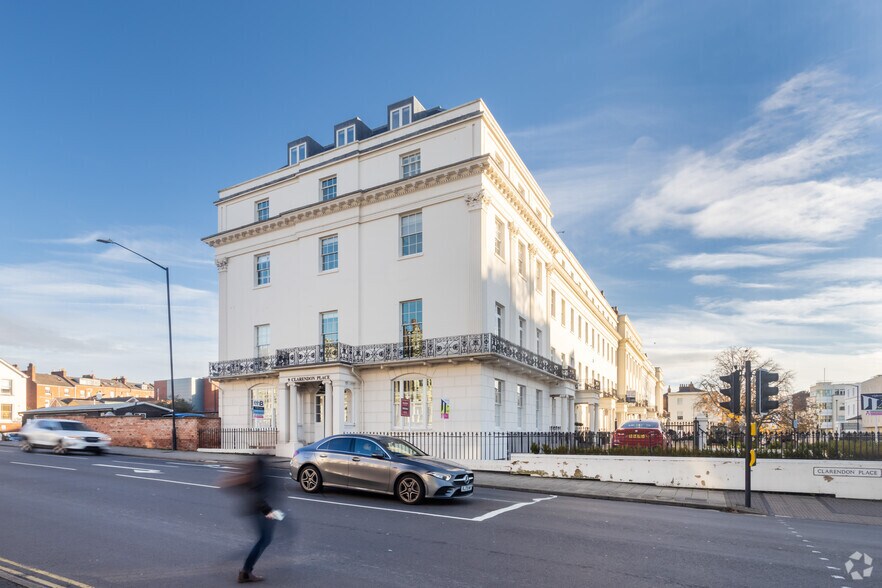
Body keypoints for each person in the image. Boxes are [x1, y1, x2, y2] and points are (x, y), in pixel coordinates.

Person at [225, 456, 280, 583]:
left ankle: (246, 571)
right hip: (260, 510)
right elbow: (257, 495)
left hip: (262, 509)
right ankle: (245, 572)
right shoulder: (260, 468)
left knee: (265, 539)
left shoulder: (260, 466)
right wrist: (270, 512)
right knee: (264, 539)